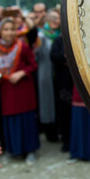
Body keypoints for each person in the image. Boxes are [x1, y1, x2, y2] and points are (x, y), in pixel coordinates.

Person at [0, 18, 39, 163]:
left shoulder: (23, 46)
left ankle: (30, 150)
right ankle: (14, 150)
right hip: (7, 89)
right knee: (11, 120)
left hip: (23, 89)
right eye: (6, 29)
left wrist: (21, 73)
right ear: (0, 32)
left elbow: (33, 65)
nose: (9, 33)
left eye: (12, 29)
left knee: (26, 119)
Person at [34, 10, 60, 142]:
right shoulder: (42, 35)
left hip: (58, 73)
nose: (56, 21)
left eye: (58, 18)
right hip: (45, 71)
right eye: (53, 18)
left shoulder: (60, 34)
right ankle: (50, 130)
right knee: (46, 102)